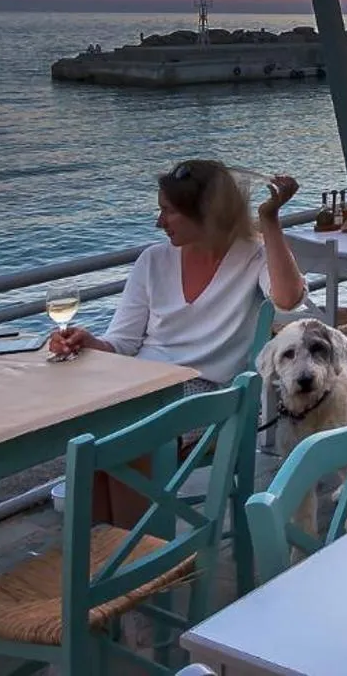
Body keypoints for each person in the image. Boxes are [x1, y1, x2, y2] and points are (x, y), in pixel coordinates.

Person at [48, 160, 307, 524]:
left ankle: (138, 558)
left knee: (127, 442)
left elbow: (287, 297)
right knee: (90, 435)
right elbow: (121, 342)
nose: (158, 222)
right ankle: (105, 558)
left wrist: (270, 220)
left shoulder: (253, 257)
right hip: (141, 381)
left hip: (210, 393)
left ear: (202, 212)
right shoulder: (153, 260)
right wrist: (89, 341)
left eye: (168, 211)